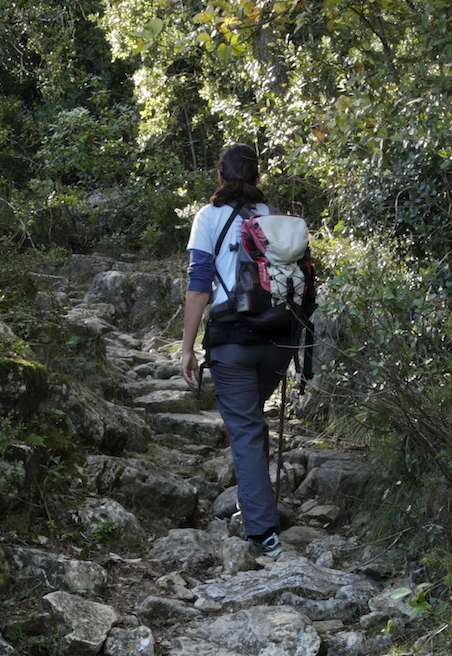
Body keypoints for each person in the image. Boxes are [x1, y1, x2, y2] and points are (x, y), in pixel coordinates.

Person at [179, 143, 295, 558]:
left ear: (221, 177)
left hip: (232, 342)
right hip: (280, 341)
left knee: (245, 428)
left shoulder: (208, 218)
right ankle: (258, 503)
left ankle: (262, 532)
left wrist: (187, 348)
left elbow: (199, 285)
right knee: (252, 422)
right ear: (257, 178)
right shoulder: (273, 218)